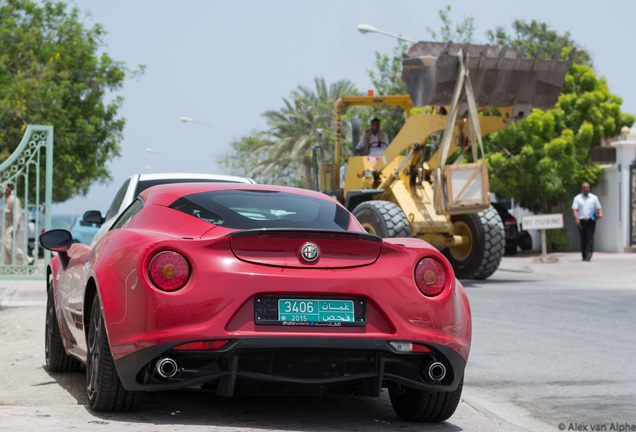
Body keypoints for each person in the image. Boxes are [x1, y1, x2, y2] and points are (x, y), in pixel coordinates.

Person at [572, 182, 603, 261]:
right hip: (581, 220)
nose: (586, 189)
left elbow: (599, 208)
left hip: (591, 220)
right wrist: (576, 219)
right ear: (581, 188)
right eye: (584, 187)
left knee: (590, 237)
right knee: (583, 237)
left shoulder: (594, 198)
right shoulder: (577, 198)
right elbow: (575, 209)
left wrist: (600, 215)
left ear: (589, 188)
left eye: (587, 187)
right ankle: (584, 254)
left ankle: (589, 253)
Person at [3, 183, 33, 265]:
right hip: (6, 228)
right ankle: (7, 268)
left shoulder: (13, 199)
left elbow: (17, 214)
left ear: (9, 188)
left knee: (9, 246)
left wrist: (14, 228)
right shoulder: (7, 199)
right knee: (5, 248)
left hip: (11, 227)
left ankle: (28, 259)